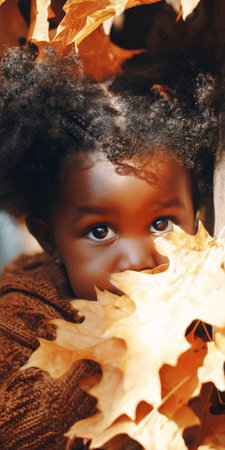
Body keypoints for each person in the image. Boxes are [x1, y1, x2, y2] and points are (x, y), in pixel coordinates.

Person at [0, 48, 217, 449]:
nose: (137, 260)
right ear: (50, 239)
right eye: (101, 231)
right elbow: (11, 426)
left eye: (161, 224)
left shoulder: (206, 303)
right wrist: (111, 347)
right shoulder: (24, 312)